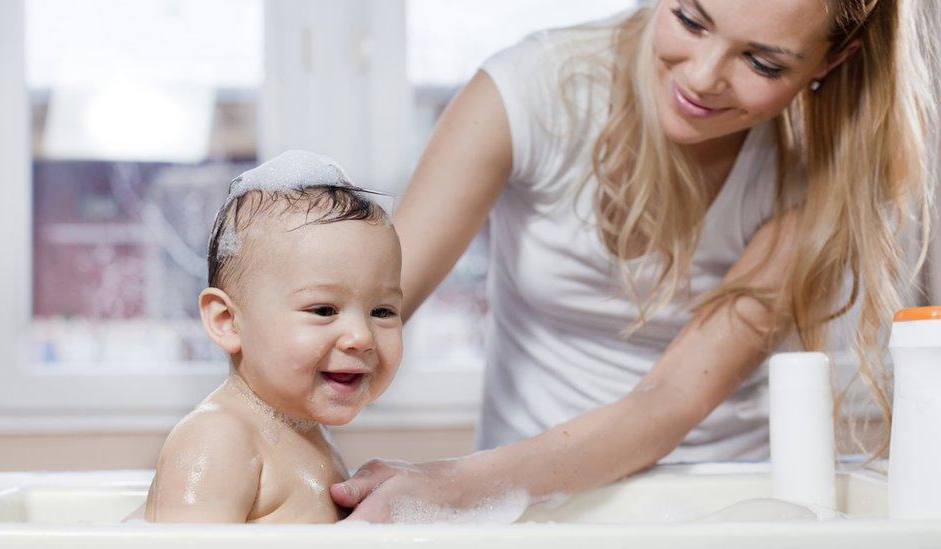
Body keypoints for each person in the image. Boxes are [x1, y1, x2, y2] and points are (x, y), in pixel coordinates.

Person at [329, 0, 935, 522]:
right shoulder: (531, 90)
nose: (701, 78)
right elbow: (367, 312)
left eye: (762, 62)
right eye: (691, 20)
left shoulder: (826, 171)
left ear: (832, 62)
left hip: (727, 502)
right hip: (523, 502)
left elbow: (669, 400)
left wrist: (452, 485)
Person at [144, 150, 403, 523]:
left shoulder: (302, 433)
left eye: (383, 311)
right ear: (227, 321)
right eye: (323, 310)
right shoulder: (219, 440)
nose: (361, 337)